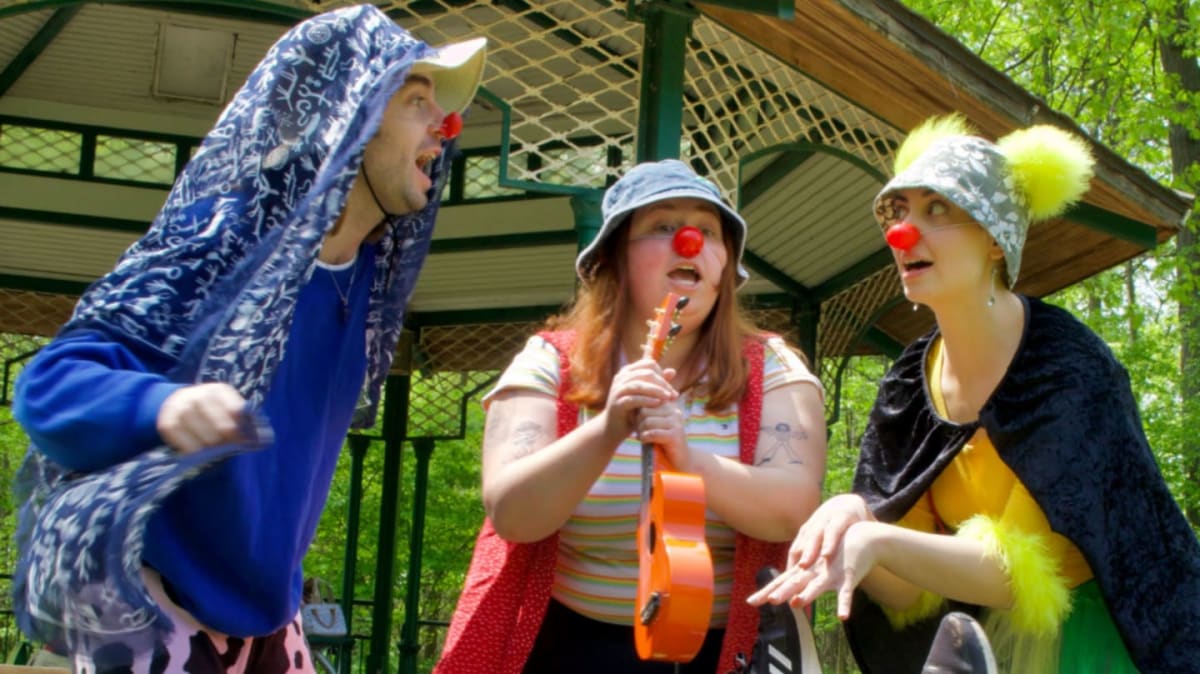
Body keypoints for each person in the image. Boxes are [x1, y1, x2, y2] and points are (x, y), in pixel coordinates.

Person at [10, 6, 486, 673]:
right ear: (344, 115)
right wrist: (165, 407)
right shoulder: (223, 241)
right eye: (416, 101)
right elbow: (50, 386)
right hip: (151, 603)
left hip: (266, 617)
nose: (447, 125)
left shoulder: (367, 283)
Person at [749, 115, 1200, 673]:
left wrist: (878, 541)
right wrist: (851, 518)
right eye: (900, 211)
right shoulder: (909, 383)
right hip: (975, 634)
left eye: (937, 209)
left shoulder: (1067, 367)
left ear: (994, 240)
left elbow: (1021, 578)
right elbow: (908, 595)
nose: (902, 233)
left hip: (1105, 637)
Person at [434, 159, 828, 674]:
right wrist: (607, 429)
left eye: (709, 231)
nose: (689, 241)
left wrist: (689, 459)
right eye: (662, 226)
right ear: (614, 258)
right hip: (570, 648)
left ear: (725, 268)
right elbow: (512, 514)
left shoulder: (773, 366)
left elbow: (793, 509)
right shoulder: (549, 361)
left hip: (725, 652)